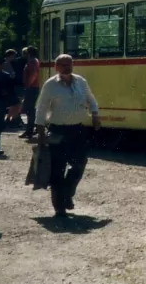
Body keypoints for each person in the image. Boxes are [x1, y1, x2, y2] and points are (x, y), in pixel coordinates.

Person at [35, 54, 100, 217]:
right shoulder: (50, 85)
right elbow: (41, 108)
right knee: (58, 169)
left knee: (79, 164)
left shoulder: (80, 81)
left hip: (78, 130)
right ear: (56, 67)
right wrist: (41, 131)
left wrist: (95, 115)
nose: (67, 67)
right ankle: (60, 207)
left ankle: (67, 194)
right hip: (58, 131)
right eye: (63, 65)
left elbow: (91, 100)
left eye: (69, 64)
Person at [19, 46, 41, 138]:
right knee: (30, 110)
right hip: (32, 87)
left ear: (28, 53)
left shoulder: (32, 62)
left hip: (32, 88)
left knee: (30, 110)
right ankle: (32, 129)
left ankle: (30, 130)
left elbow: (34, 74)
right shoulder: (34, 61)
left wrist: (28, 85)